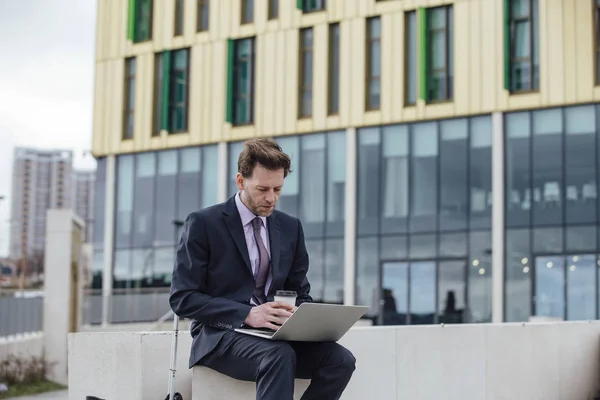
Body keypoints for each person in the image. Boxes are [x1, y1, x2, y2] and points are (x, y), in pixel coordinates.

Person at [169, 138, 356, 400]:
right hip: (220, 337)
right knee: (278, 356)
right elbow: (182, 298)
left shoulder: (290, 228)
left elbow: (299, 292)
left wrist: (301, 316)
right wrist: (247, 314)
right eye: (262, 189)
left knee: (340, 360)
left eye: (278, 189)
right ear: (240, 181)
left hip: (275, 334)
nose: (271, 198)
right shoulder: (204, 223)